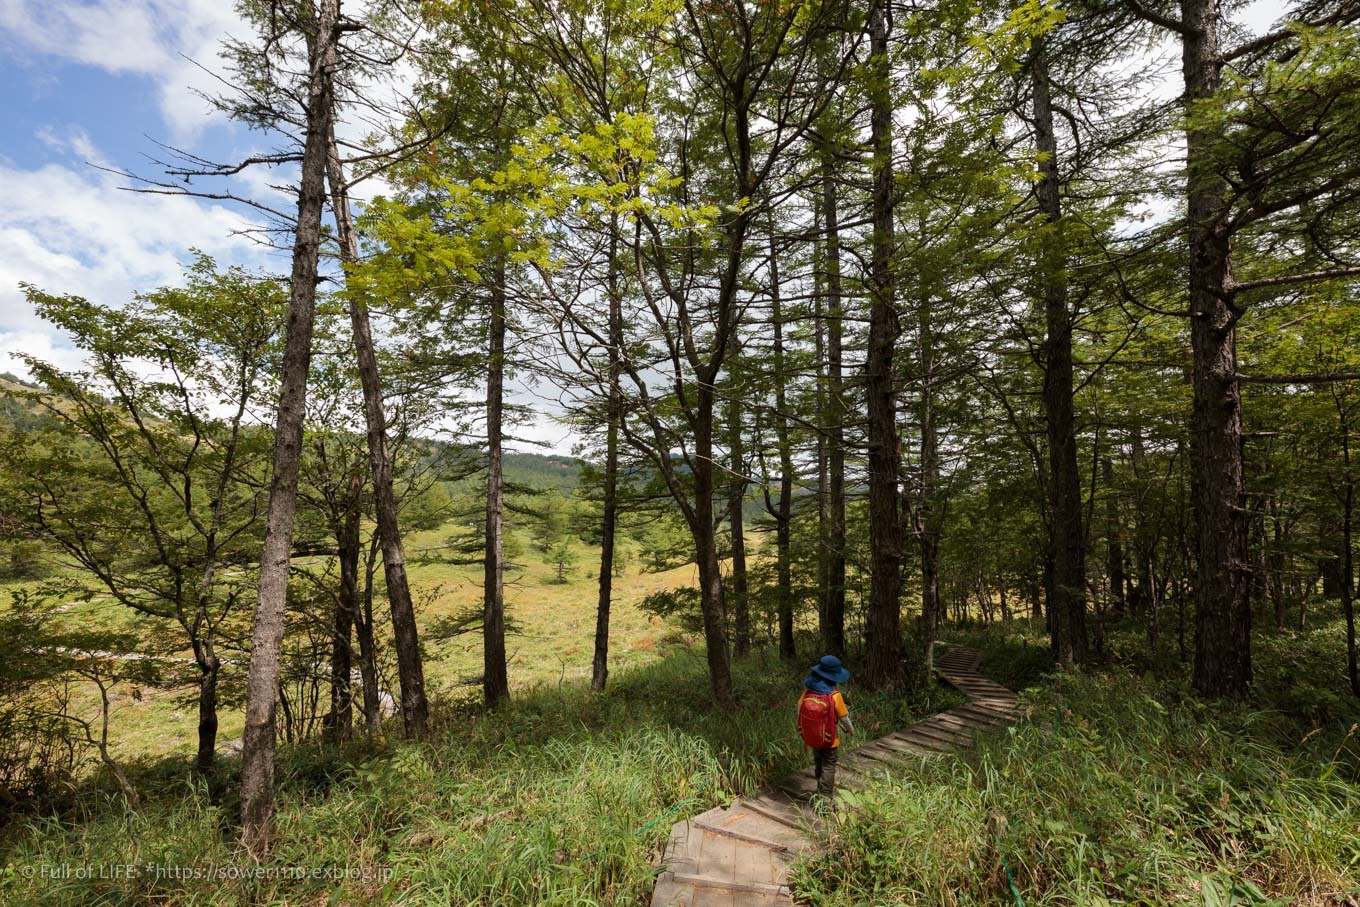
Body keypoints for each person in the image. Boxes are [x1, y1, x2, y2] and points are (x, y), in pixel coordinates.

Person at [797, 655, 855, 801]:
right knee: (829, 765)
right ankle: (825, 797)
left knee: (818, 761)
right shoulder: (835, 695)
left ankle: (819, 786)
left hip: (813, 736)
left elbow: (799, 708)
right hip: (830, 740)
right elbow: (844, 719)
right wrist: (851, 730)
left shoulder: (808, 690)